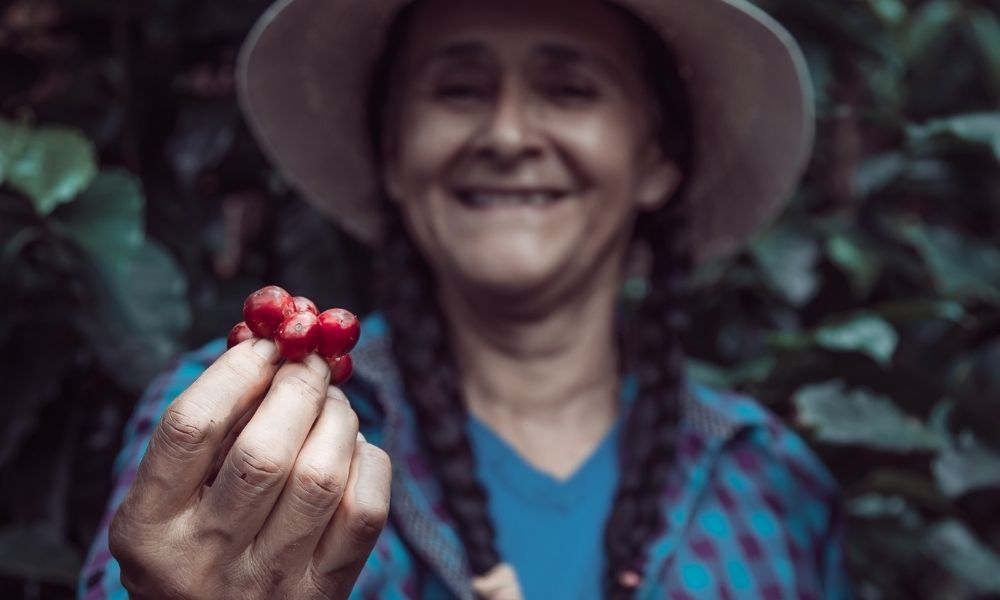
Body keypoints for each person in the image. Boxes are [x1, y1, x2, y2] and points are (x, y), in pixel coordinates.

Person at [79, 0, 852, 598]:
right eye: (458, 91)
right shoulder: (240, 427)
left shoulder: (771, 479)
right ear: (393, 154)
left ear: (655, 159)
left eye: (570, 90)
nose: (508, 135)